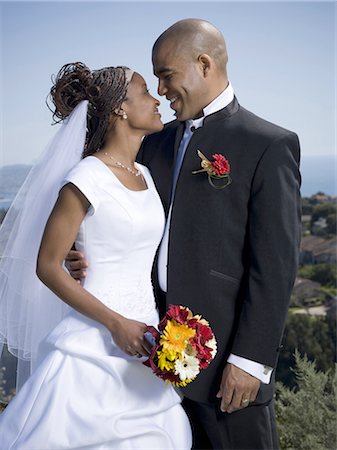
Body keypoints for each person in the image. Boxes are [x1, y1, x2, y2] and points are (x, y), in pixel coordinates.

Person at [68, 19, 302, 450]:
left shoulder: (268, 144)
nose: (159, 89)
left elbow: (275, 265)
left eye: (166, 74)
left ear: (204, 64)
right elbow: (112, 210)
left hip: (227, 372)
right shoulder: (154, 141)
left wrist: (250, 361)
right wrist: (76, 252)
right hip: (149, 364)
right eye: (154, 77)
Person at [0, 62, 192, 449]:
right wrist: (116, 324)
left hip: (148, 341)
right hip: (94, 340)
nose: (156, 100)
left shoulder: (145, 174)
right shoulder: (86, 177)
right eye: (144, 92)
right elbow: (47, 266)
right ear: (121, 108)